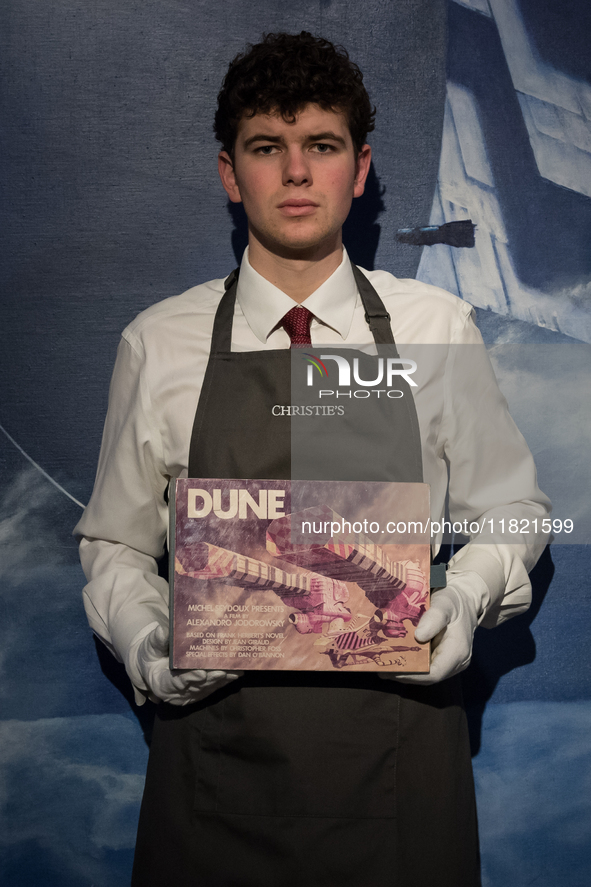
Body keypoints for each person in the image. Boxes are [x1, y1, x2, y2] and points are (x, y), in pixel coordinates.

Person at [75, 31, 550, 887]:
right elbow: (112, 542)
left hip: (401, 779)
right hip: (213, 776)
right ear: (231, 172)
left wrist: (470, 598)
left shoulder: (435, 329)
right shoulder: (159, 342)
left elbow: (514, 513)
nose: (296, 173)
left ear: (358, 169)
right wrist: (147, 643)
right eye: (268, 148)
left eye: (320, 146)